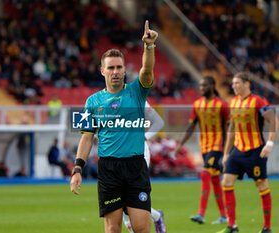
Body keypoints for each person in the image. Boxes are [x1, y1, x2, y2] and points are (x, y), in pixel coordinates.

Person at [70, 20, 158, 233]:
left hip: (136, 167)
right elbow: (86, 137)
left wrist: (149, 46)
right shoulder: (92, 101)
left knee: (142, 228)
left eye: (119, 67)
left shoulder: (137, 91)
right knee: (112, 230)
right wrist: (77, 169)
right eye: (111, 68)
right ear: (102, 71)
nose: (116, 71)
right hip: (109, 169)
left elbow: (147, 70)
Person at [217, 72, 278, 233]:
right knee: (226, 182)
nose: (233, 86)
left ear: (246, 84)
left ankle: (267, 227)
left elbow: (273, 120)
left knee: (261, 185)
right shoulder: (233, 101)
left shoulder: (258, 101)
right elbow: (231, 128)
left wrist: (270, 143)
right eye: (233, 84)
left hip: (256, 150)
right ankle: (232, 225)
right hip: (237, 150)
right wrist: (226, 153)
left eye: (237, 83)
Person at [175, 76, 228, 225]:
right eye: (200, 86)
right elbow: (191, 126)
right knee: (215, 179)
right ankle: (224, 216)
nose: (202, 88)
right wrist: (180, 145)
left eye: (204, 86)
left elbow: (229, 126)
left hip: (217, 146)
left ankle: (201, 214)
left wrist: (227, 149)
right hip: (204, 146)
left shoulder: (221, 105)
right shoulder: (197, 104)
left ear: (212, 85)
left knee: (205, 173)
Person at [122, 101, 166, 233]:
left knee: (131, 195)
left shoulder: (137, 97)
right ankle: (157, 217)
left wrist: (145, 137)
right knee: (120, 197)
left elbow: (158, 122)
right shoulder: (104, 98)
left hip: (138, 152)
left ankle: (157, 218)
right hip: (117, 155)